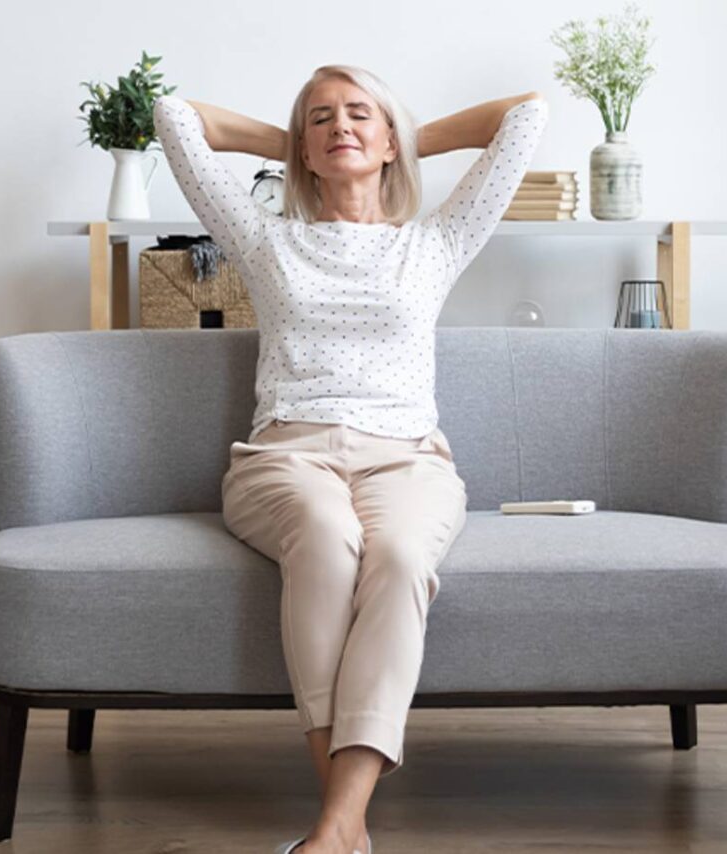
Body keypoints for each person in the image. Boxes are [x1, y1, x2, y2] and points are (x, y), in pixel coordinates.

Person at [153, 64, 547, 854]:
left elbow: (526, 115)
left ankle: (337, 831)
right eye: (322, 118)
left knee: (399, 557)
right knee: (328, 542)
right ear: (301, 147)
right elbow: (175, 114)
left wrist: (393, 134)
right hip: (287, 458)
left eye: (359, 115)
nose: (341, 126)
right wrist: (302, 142)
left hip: (409, 462)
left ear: (392, 139)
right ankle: (344, 827)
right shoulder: (264, 238)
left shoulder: (436, 242)